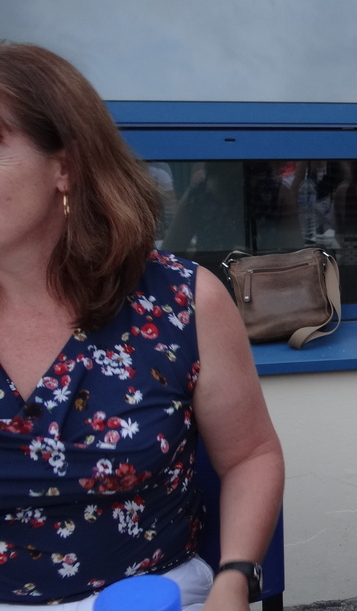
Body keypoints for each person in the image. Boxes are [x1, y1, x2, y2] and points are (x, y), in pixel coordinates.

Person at [0, 42, 285, 610]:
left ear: (65, 167)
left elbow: (251, 455)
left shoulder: (181, 301)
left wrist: (234, 578)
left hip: (148, 595)